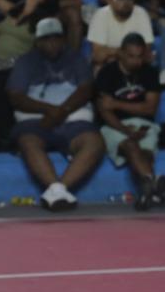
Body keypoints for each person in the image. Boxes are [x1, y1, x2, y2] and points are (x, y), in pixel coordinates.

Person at [7, 17, 105, 210]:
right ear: (37, 41)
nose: (51, 43)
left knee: (95, 142)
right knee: (28, 141)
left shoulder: (76, 58)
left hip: (73, 119)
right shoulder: (26, 61)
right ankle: (56, 188)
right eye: (46, 39)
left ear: (63, 39)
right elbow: (15, 96)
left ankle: (58, 190)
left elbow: (86, 89)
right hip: (37, 120)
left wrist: (62, 111)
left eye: (56, 38)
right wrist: (48, 110)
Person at [95, 32, 165, 209]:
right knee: (130, 145)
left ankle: (147, 192)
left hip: (145, 124)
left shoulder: (150, 72)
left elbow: (150, 108)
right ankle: (154, 184)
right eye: (131, 56)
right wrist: (125, 129)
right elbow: (104, 111)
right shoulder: (106, 73)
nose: (136, 61)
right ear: (120, 53)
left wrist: (116, 103)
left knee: (146, 154)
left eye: (139, 56)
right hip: (114, 126)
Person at [87, 0, 154, 68]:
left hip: (135, 63)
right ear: (109, 0)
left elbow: (145, 52)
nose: (126, 2)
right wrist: (122, 54)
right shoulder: (100, 15)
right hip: (109, 64)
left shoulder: (141, 13)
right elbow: (98, 55)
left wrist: (115, 53)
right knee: (99, 66)